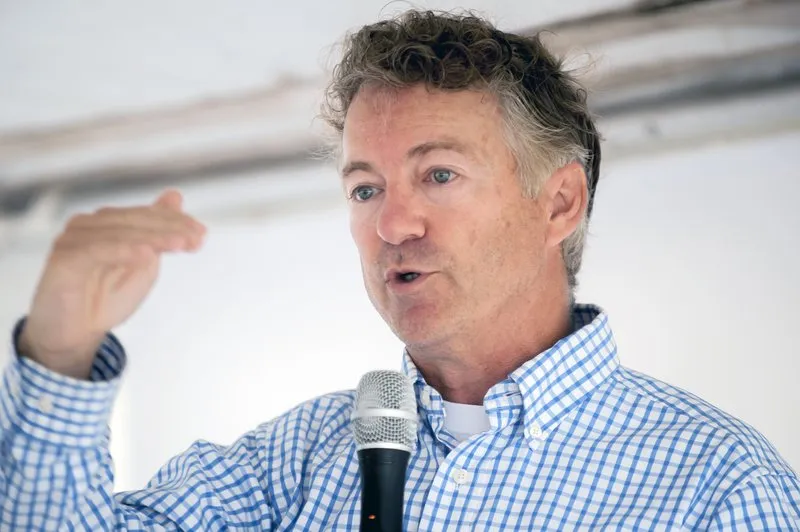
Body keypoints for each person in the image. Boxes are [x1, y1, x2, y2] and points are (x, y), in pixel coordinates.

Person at [1, 9, 798, 531]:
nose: (391, 224)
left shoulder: (716, 485)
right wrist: (61, 356)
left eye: (438, 175)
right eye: (365, 188)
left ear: (558, 204)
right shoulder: (295, 461)